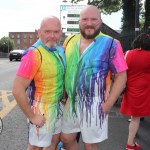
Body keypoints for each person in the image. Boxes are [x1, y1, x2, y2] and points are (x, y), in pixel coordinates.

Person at [61, 5, 127, 150]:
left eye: (93, 19)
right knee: (66, 138)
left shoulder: (111, 44)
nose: (89, 23)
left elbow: (121, 76)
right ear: (79, 21)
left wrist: (109, 103)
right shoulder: (70, 41)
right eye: (85, 19)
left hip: (95, 103)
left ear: (100, 21)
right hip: (71, 101)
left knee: (90, 144)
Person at [12, 15, 66, 150]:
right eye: (47, 31)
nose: (52, 36)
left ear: (61, 32)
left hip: (57, 106)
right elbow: (17, 90)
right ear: (39, 32)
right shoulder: (33, 54)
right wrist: (32, 116)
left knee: (53, 143)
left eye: (56, 31)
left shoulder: (60, 50)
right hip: (40, 108)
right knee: (36, 146)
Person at [120, 33, 150, 150]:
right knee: (137, 116)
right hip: (146, 89)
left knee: (135, 116)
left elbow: (120, 70)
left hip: (131, 88)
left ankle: (132, 139)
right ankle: (130, 144)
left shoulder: (128, 54)